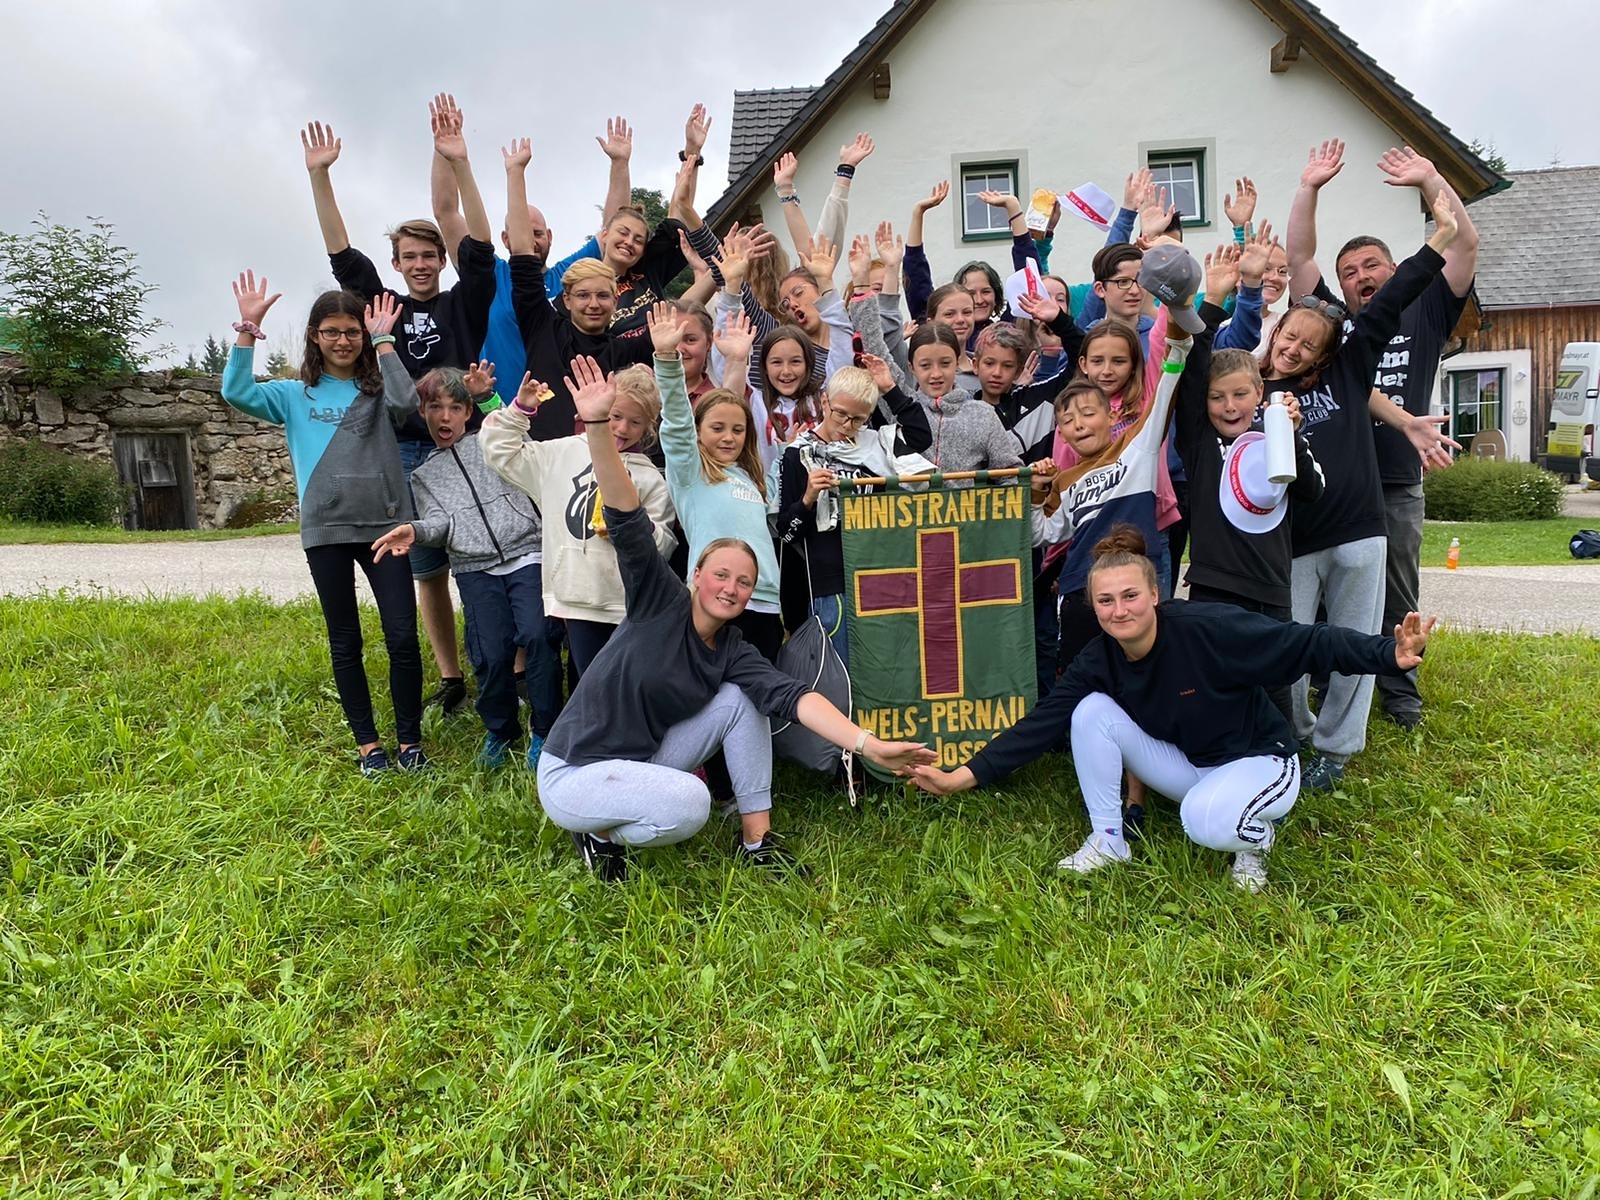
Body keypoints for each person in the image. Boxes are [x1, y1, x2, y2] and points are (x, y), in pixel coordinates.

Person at [536, 356, 936, 881]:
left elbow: (794, 697)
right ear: (697, 574)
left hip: (640, 762)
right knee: (691, 803)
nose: (731, 588)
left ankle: (757, 840)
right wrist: (595, 425)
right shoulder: (658, 600)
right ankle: (599, 832)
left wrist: (869, 745)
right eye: (721, 575)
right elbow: (627, 516)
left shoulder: (730, 649)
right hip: (576, 769)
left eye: (744, 582)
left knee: (744, 698)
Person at [909, 526, 1437, 892]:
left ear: (1155, 593)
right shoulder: (1100, 659)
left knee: (1202, 824)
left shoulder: (1208, 629)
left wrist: (1387, 654)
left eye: (1130, 596)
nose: (1120, 611)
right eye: (1106, 601)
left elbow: (1306, 643)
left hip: (1262, 762)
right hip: (1192, 765)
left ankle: (1255, 840)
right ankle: (1108, 840)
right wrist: (963, 777)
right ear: (1094, 607)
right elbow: (1043, 722)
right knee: (1088, 711)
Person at [301, 108, 496, 716]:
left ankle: (504, 666)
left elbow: (482, 244)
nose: (419, 264)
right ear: (397, 263)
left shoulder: (465, 302)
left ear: (441, 259)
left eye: (428, 255)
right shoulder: (381, 304)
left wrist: (459, 162)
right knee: (426, 567)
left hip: (466, 446)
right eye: (408, 256)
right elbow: (339, 249)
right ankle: (451, 675)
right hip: (403, 449)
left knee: (484, 555)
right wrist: (320, 176)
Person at [1272, 172, 1460, 789]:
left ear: (1328, 351)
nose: (1296, 348)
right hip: (1296, 537)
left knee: (1354, 641)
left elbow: (1389, 303)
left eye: (1309, 343)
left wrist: (1439, 240)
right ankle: (1295, 733)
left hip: (1359, 530)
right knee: (1292, 644)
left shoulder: (1350, 368)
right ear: (1276, 336)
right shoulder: (1259, 390)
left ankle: (1336, 749)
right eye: (1289, 336)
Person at [222, 274, 427, 775]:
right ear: (315, 336)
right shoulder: (295, 394)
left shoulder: (378, 389)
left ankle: (409, 741)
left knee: (402, 636)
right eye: (332, 331)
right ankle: (368, 746)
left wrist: (384, 341)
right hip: (325, 531)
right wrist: (248, 328)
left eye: (352, 331)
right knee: (346, 640)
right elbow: (236, 391)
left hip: (385, 528)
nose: (342, 340)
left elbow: (407, 403)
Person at [369, 364, 563, 770]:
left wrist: (488, 398)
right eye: (435, 407)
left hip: (526, 554)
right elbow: (439, 523)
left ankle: (545, 728)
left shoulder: (490, 441)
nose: (445, 417)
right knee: (489, 652)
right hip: (475, 568)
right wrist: (415, 531)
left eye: (455, 407)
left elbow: (516, 432)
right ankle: (501, 729)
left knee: (538, 635)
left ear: (467, 412)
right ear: (422, 412)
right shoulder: (423, 475)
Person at [478, 364, 678, 678]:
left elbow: (663, 545)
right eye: (614, 416)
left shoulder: (650, 478)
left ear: (649, 427)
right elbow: (499, 452)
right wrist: (520, 411)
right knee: (588, 684)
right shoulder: (561, 453)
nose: (622, 428)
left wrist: (634, 527)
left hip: (625, 605)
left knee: (622, 685)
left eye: (635, 422)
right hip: (576, 597)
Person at [431, 93, 632, 391]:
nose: (531, 241)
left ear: (549, 236)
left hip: (562, 411)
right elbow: (446, 213)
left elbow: (615, 229)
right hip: (496, 407)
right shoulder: (488, 276)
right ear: (505, 238)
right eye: (522, 232)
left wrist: (620, 164)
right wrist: (447, 153)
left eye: (537, 233)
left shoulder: (570, 275)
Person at [1175, 347, 1324, 724]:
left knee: (1275, 691)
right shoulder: (1198, 439)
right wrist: (1207, 313)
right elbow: (1193, 368)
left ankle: (1283, 753)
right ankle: (1222, 755)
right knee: (1217, 688)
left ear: (1259, 392)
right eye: (1216, 396)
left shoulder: (1275, 435)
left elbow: (1313, 490)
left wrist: (1292, 435)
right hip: (1213, 589)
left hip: (1271, 590)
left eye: (1240, 394)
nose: (1229, 406)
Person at [769, 359, 933, 656]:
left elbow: (921, 436)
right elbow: (786, 532)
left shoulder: (877, 443)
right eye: (840, 414)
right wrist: (807, 499)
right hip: (829, 584)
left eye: (857, 419)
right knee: (840, 668)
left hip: (879, 574)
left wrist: (890, 389)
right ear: (824, 401)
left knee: (883, 664)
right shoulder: (797, 453)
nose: (846, 425)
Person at [654, 305, 786, 662]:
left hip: (764, 601)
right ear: (698, 433)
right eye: (716, 429)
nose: (729, 437)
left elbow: (729, 406)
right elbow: (678, 421)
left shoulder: (750, 477)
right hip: (715, 600)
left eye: (738, 430)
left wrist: (738, 360)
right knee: (712, 686)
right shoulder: (691, 472)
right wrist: (666, 358)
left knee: (760, 688)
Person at [502, 138, 658, 440]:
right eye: (583, 295)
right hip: (541, 455)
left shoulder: (623, 351)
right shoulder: (542, 326)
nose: (593, 304)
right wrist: (515, 174)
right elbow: (522, 253)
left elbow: (681, 328)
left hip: (595, 460)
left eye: (603, 296)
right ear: (567, 299)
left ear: (615, 301)